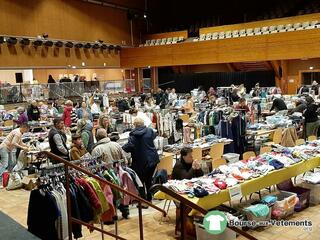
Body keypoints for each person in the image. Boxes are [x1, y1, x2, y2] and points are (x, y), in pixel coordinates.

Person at [122, 118, 159, 203]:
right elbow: (153, 136)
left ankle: (143, 199)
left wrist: (122, 147)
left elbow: (129, 147)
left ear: (134, 125)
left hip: (140, 162)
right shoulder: (150, 131)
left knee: (140, 181)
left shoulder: (133, 136)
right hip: (152, 159)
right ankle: (149, 198)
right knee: (149, 180)